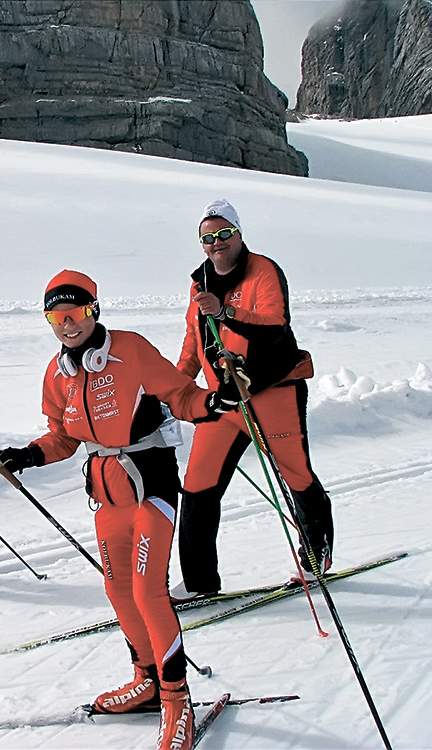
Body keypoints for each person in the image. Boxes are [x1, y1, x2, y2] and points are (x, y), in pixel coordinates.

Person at [0, 270, 241, 750]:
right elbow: (62, 437)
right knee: (117, 589)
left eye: (75, 313)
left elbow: (180, 395)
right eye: (56, 316)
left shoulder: (130, 349)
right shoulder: (57, 374)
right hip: (107, 494)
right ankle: (146, 681)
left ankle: (177, 701)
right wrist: (21, 456)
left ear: (94, 310)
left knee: (147, 591)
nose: (67, 324)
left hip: (151, 486)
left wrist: (215, 401)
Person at [173, 199, 335, 601]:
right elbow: (194, 344)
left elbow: (275, 325)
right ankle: (198, 584)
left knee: (296, 475)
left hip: (272, 392)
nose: (216, 243)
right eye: (207, 237)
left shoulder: (264, 270)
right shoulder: (199, 284)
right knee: (197, 489)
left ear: (239, 234)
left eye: (224, 233)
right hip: (224, 402)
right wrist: (172, 389)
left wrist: (225, 311)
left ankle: (317, 558)